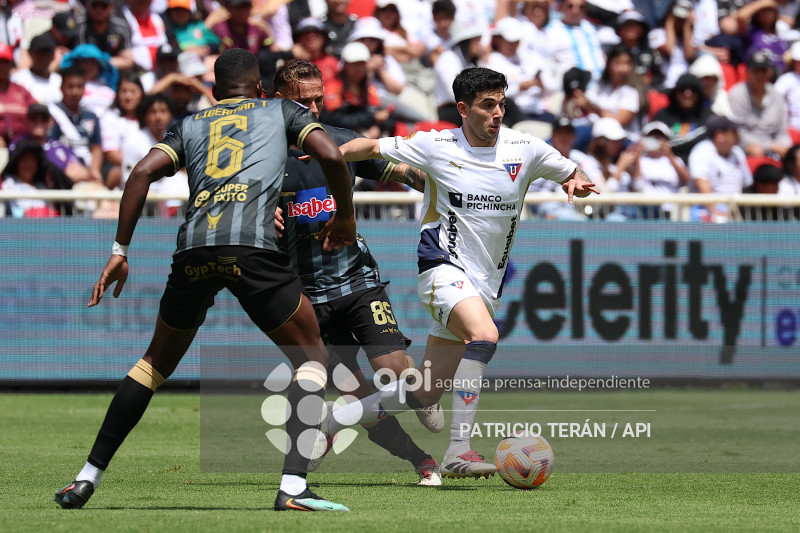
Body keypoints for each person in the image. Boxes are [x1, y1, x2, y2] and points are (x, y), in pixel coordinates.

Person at [53, 48, 357, 512]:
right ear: (260, 88)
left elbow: (140, 173)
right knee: (311, 354)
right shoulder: (281, 109)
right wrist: (347, 220)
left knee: (153, 364)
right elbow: (332, 155)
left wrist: (120, 250)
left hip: (193, 248)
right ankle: (294, 487)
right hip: (252, 247)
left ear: (214, 92)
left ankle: (85, 478)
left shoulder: (191, 123)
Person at [320, 67, 598, 478]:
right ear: (464, 109)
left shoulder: (525, 148)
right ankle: (458, 451)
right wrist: (331, 153)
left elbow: (570, 169)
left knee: (423, 392)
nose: (498, 113)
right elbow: (372, 147)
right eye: (488, 105)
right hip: (441, 271)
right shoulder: (435, 145)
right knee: (485, 336)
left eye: (501, 103)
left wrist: (577, 179)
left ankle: (334, 420)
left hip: (485, 284)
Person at [271, 59, 444, 486]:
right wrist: (256, 214)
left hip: (357, 281)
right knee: (358, 396)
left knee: (394, 371)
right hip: (305, 298)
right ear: (277, 101)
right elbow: (227, 198)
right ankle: (421, 460)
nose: (312, 109)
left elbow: (407, 173)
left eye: (318, 99)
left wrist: (453, 186)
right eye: (302, 101)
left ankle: (412, 392)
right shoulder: (261, 158)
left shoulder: (341, 143)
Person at [687, 114, 753, 222]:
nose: (738, 136)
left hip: (734, 211)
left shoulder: (738, 152)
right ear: (719, 135)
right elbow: (702, 185)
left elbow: (747, 185)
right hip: (705, 211)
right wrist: (717, 213)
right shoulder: (701, 151)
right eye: (734, 132)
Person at [728, 50, 792, 158]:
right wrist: (769, 146)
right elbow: (737, 132)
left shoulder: (776, 96)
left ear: (770, 72)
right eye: (756, 71)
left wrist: (786, 148)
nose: (760, 75)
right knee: (756, 153)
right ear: (748, 72)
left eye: (764, 70)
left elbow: (782, 131)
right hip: (747, 150)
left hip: (775, 150)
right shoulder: (737, 94)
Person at [48, 66, 104, 185]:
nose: (75, 91)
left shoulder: (91, 117)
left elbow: (96, 147)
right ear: (61, 88)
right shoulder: (51, 114)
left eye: (79, 87)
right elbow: (49, 147)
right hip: (62, 173)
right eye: (70, 86)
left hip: (87, 172)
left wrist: (94, 170)